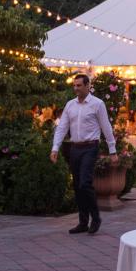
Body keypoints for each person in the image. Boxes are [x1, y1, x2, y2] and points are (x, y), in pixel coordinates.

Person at [50, 73, 117, 235]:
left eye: (79, 85)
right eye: (74, 85)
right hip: (75, 148)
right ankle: (82, 222)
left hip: (90, 147)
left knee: (85, 184)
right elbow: (62, 127)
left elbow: (106, 127)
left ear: (88, 86)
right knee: (77, 185)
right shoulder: (70, 105)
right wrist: (55, 148)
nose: (76, 89)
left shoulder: (97, 104)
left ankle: (96, 218)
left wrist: (112, 150)